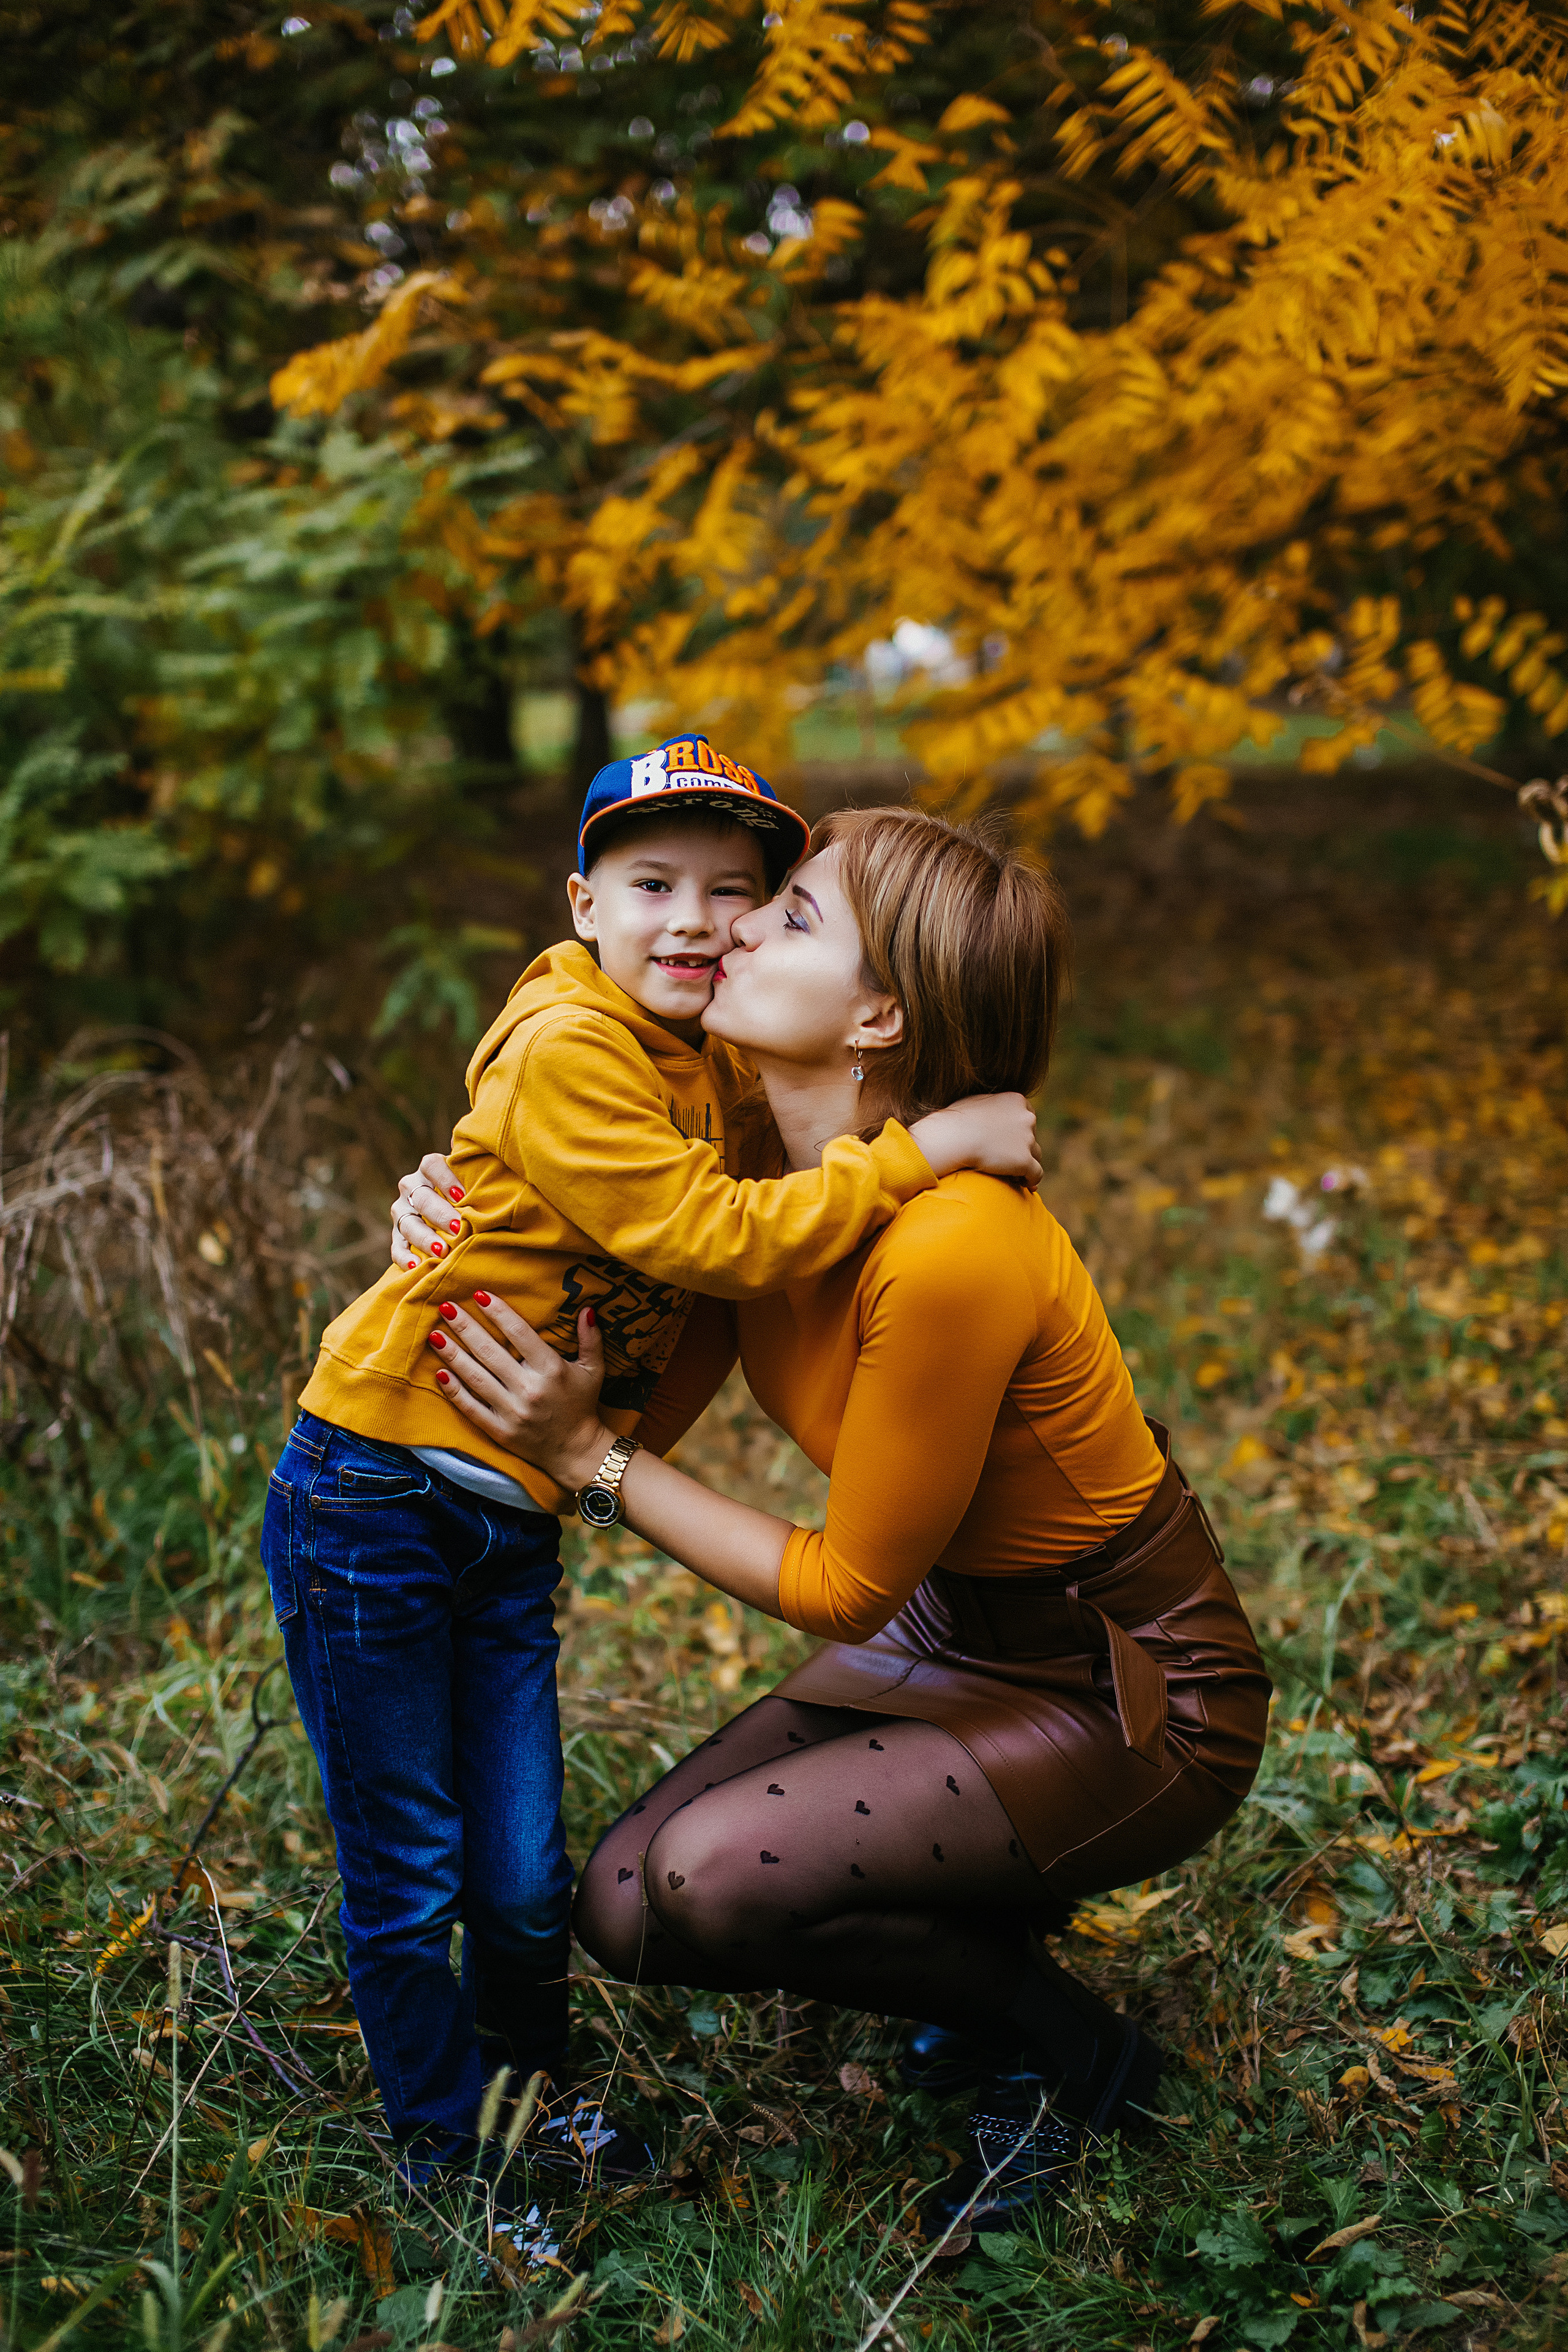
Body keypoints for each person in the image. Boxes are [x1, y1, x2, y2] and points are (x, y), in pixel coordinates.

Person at [414, 804, 1272, 2236]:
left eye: (790, 915)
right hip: (957, 1622)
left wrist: (589, 1464)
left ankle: (1067, 2055)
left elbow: (841, 1582)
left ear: (878, 1015)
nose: (735, 924)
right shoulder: (753, 1173)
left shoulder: (953, 1245)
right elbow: (633, 1322)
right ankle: (986, 1915)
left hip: (1124, 1685)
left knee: (703, 1884)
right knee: (623, 1905)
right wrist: (448, 1215)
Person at [262, 739, 1039, 2203]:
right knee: (415, 1870)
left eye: (734, 894)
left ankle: (530, 2109)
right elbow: (713, 1239)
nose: (693, 919)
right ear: (580, 904)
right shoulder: (570, 1046)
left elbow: (812, 1137)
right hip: (374, 1492)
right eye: (649, 883)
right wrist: (926, 1152)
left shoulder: (704, 1062)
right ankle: (451, 2157)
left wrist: (928, 1132)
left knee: (520, 1872)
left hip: (502, 1526)